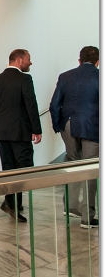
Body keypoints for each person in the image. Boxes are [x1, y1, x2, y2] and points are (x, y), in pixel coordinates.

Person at [0, 49, 42, 223]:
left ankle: (13, 203)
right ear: (19, 60)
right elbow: (31, 105)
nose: (30, 63)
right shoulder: (25, 79)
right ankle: (11, 203)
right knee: (23, 168)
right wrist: (37, 129)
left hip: (2, 132)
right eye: (28, 59)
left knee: (8, 168)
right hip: (20, 132)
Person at [50, 46, 99, 229]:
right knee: (90, 167)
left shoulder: (65, 76)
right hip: (91, 126)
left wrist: (58, 126)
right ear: (98, 61)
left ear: (79, 60)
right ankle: (87, 217)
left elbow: (54, 104)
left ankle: (70, 206)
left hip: (68, 125)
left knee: (73, 163)